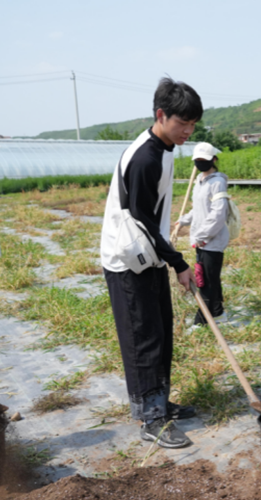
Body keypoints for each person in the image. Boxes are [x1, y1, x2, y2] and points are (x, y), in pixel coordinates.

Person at [99, 78, 202, 449]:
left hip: (149, 256)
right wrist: (179, 263)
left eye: (193, 124)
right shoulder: (146, 158)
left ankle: (159, 402)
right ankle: (151, 418)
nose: (188, 131)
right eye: (182, 123)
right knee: (143, 340)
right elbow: (141, 220)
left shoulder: (164, 148)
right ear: (161, 115)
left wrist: (168, 259)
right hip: (128, 261)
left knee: (160, 334)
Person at [179, 142, 230, 329]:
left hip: (212, 240)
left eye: (204, 160)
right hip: (200, 240)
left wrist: (202, 236)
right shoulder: (199, 182)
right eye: (197, 160)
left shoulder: (218, 182)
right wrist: (184, 220)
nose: (200, 163)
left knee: (205, 282)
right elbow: (198, 209)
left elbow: (218, 214)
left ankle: (200, 322)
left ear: (214, 160)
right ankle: (218, 313)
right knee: (211, 278)